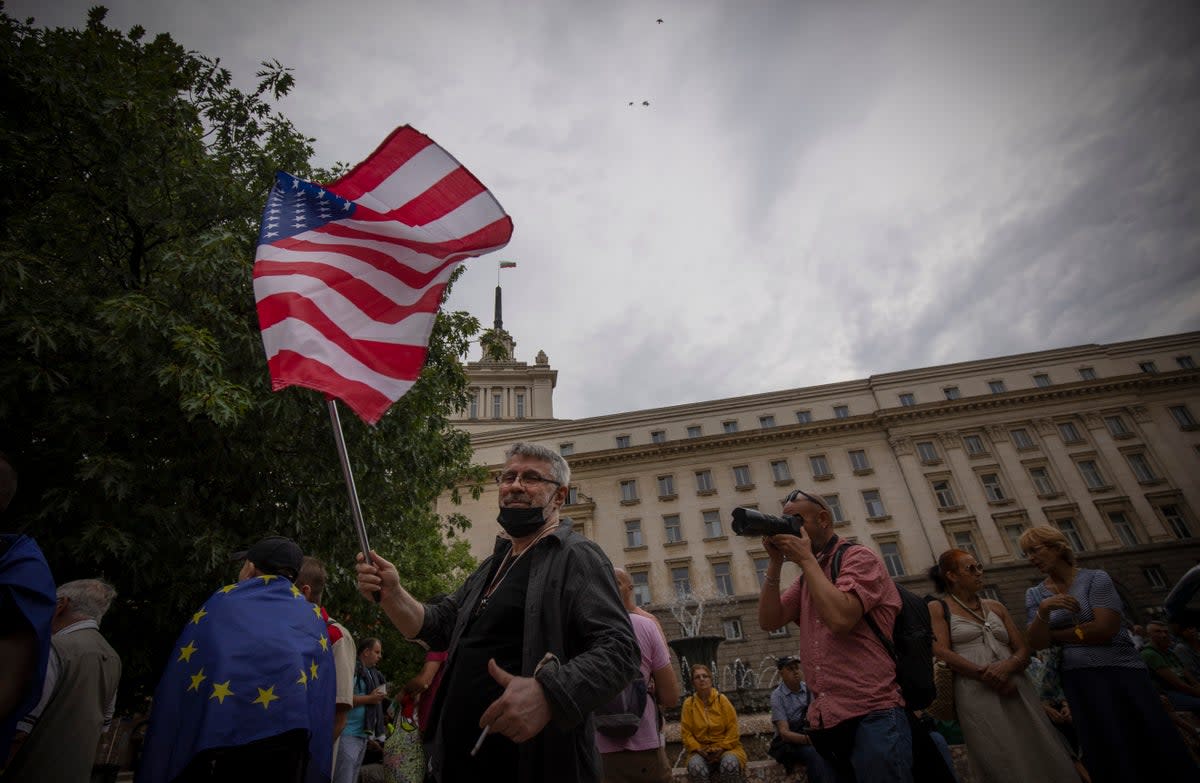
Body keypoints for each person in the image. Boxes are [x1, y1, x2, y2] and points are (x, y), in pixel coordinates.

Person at [355, 441, 638, 783]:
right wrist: (393, 594)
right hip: (456, 763)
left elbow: (621, 650)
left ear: (559, 497)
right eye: (508, 477)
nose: (515, 485)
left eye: (531, 478)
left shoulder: (578, 556)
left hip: (532, 765)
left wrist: (550, 693)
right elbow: (439, 625)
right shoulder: (493, 564)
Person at [138, 535, 336, 783]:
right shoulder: (312, 616)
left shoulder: (225, 600)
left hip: (222, 738)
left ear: (251, 568)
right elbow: (321, 689)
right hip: (288, 743)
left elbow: (190, 668)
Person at [756, 487, 913, 782]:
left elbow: (841, 619)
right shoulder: (807, 578)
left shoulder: (858, 558)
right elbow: (768, 620)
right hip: (827, 720)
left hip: (873, 713)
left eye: (796, 522)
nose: (790, 531)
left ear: (824, 519)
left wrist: (805, 560)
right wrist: (775, 562)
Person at [1021, 526, 1199, 782]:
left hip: (1122, 673)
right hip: (1080, 680)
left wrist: (1057, 635)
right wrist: (1044, 611)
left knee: (1150, 741)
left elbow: (1105, 629)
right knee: (1106, 749)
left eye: (1034, 550)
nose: (1030, 558)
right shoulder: (1036, 594)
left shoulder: (1096, 578)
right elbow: (1036, 641)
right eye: (1026, 553)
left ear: (1057, 547)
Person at [927, 549, 1077, 783]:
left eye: (979, 567)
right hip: (975, 690)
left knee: (1037, 744)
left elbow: (1023, 647)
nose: (979, 573)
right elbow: (940, 651)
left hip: (1016, 685)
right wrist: (985, 674)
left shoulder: (995, 606)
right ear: (952, 576)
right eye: (971, 569)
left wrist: (1008, 668)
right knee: (997, 752)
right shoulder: (938, 608)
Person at [4, 579, 122, 783]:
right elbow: (104, 726)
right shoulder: (113, 658)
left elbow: (24, 725)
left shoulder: (55, 648)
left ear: (61, 605)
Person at [597, 567, 680, 783]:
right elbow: (671, 696)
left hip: (598, 746)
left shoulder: (582, 627)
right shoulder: (645, 625)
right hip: (644, 745)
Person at [296, 556, 357, 750]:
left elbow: (339, 717)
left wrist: (306, 762)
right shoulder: (286, 632)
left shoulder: (335, 635)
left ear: (304, 592)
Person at [767, 656, 833, 782]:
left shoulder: (809, 689)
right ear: (781, 673)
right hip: (791, 743)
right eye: (790, 669)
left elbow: (820, 718)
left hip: (810, 735)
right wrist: (809, 740)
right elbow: (784, 733)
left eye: (797, 668)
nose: (795, 671)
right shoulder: (777, 696)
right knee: (814, 753)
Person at [679, 664, 746, 782]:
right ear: (693, 683)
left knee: (729, 764)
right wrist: (699, 749)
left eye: (705, 676)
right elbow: (686, 733)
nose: (702, 679)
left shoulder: (722, 700)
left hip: (727, 749)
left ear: (711, 679)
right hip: (700, 751)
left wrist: (722, 748)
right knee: (696, 768)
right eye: (697, 677)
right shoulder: (688, 704)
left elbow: (733, 728)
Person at [335, 637, 388, 783]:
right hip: (347, 734)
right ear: (366, 652)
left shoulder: (373, 674)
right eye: (377, 652)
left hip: (361, 736)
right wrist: (370, 699)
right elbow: (343, 698)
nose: (380, 656)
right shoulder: (353, 669)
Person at [1142, 620, 1200, 711]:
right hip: (1169, 693)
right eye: (1158, 631)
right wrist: (1197, 691)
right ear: (1148, 635)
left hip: (1184, 689)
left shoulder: (1169, 651)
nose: (1164, 635)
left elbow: (1188, 675)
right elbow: (1178, 684)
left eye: (1165, 632)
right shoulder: (1149, 653)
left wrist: (1197, 685)